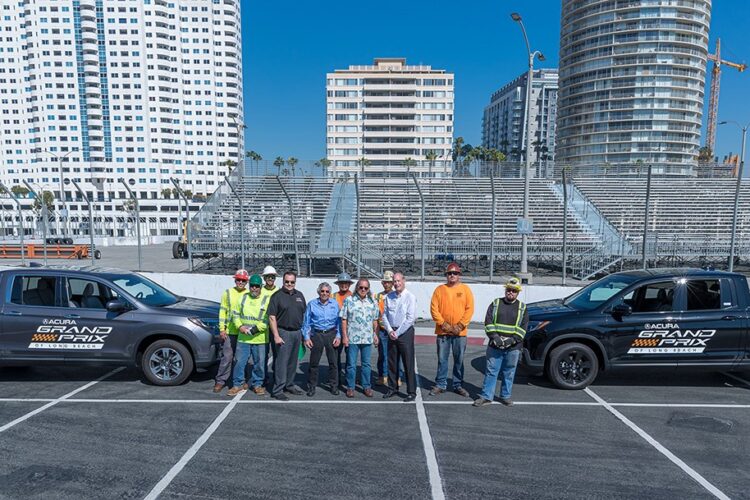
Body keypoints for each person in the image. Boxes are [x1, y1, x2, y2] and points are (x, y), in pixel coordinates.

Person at [474, 278, 528, 407]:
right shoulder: (496, 303)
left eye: (514, 291)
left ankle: (505, 396)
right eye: (508, 290)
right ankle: (486, 396)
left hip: (513, 347)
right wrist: (495, 338)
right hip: (495, 345)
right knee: (491, 371)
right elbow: (488, 322)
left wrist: (512, 340)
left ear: (518, 293)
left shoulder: (522, 308)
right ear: (505, 290)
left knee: (509, 372)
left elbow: (523, 327)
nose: (511, 292)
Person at [429, 262, 474, 397]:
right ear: (446, 275)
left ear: (459, 275)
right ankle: (441, 384)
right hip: (443, 332)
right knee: (442, 359)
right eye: (450, 273)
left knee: (459, 359)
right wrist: (444, 324)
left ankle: (457, 384)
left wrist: (460, 326)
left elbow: (469, 309)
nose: (452, 275)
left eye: (455, 273)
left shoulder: (465, 290)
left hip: (460, 333)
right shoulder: (439, 289)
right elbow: (434, 309)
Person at [227, 275, 269, 396]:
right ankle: (237, 384)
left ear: (261, 287)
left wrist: (253, 330)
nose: (254, 288)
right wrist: (240, 327)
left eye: (257, 286)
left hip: (259, 338)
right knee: (240, 362)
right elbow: (234, 315)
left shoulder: (266, 300)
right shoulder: (242, 298)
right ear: (249, 286)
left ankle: (257, 384)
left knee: (259, 363)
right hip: (243, 338)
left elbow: (267, 320)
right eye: (252, 286)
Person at [267, 271, 307, 401]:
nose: (289, 284)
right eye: (287, 282)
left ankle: (289, 385)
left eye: (292, 282)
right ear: (283, 282)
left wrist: (303, 334)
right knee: (281, 362)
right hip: (283, 332)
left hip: (297, 332)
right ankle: (278, 389)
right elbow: (272, 317)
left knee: (292, 362)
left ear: (295, 282)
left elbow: (304, 314)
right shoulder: (277, 296)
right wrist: (276, 336)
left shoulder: (300, 295)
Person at [381, 272, 418, 402]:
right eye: (394, 281)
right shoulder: (389, 297)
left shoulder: (410, 297)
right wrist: (390, 330)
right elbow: (384, 315)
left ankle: (411, 391)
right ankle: (392, 388)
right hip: (392, 332)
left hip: (405, 333)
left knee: (408, 363)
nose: (396, 283)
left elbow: (410, 318)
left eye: (398, 281)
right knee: (392, 362)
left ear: (404, 280)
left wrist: (397, 333)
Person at [340, 278, 379, 398]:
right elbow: (344, 319)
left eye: (365, 288)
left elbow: (375, 320)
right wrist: (345, 336)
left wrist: (375, 334)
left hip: (367, 338)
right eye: (361, 287)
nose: (363, 290)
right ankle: (350, 387)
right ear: (357, 287)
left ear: (368, 289)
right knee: (351, 364)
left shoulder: (373, 302)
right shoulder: (349, 300)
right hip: (352, 338)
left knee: (366, 364)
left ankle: (366, 386)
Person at [213, 269, 249, 393]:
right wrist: (222, 329)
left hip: (242, 332)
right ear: (235, 280)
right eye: (238, 280)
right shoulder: (227, 293)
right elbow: (222, 311)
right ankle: (220, 381)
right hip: (229, 331)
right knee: (227, 357)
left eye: (243, 280)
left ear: (246, 282)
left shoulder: (248, 294)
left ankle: (241, 380)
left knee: (241, 358)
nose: (240, 282)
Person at [302, 282, 341, 396]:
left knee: (333, 363)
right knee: (314, 363)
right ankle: (311, 386)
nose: (324, 293)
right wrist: (306, 337)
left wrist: (338, 336)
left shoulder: (334, 304)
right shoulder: (312, 304)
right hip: (317, 335)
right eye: (322, 291)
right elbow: (306, 322)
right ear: (319, 292)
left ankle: (334, 386)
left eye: (327, 291)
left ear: (330, 293)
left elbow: (339, 322)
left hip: (331, 334)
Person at [375, 271, 403, 386]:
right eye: (385, 282)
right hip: (382, 330)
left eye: (389, 282)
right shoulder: (377, 296)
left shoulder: (397, 295)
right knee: (382, 354)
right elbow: (375, 315)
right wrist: (375, 332)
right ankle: (382, 375)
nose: (387, 284)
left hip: (394, 329)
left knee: (396, 354)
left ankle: (398, 376)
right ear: (382, 283)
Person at [333, 272, 354, 385]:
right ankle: (336, 378)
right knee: (335, 355)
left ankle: (349, 377)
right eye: (341, 283)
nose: (344, 285)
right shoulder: (333, 296)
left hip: (350, 329)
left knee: (350, 355)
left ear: (349, 284)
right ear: (338, 284)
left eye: (346, 283)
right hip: (336, 329)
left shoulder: (354, 296)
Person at [260, 265, 279, 385]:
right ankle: (263, 377)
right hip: (262, 328)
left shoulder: (279, 291)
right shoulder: (259, 290)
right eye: (268, 277)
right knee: (263, 356)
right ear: (264, 278)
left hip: (275, 328)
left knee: (277, 355)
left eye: (272, 277)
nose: (270, 279)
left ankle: (277, 377)